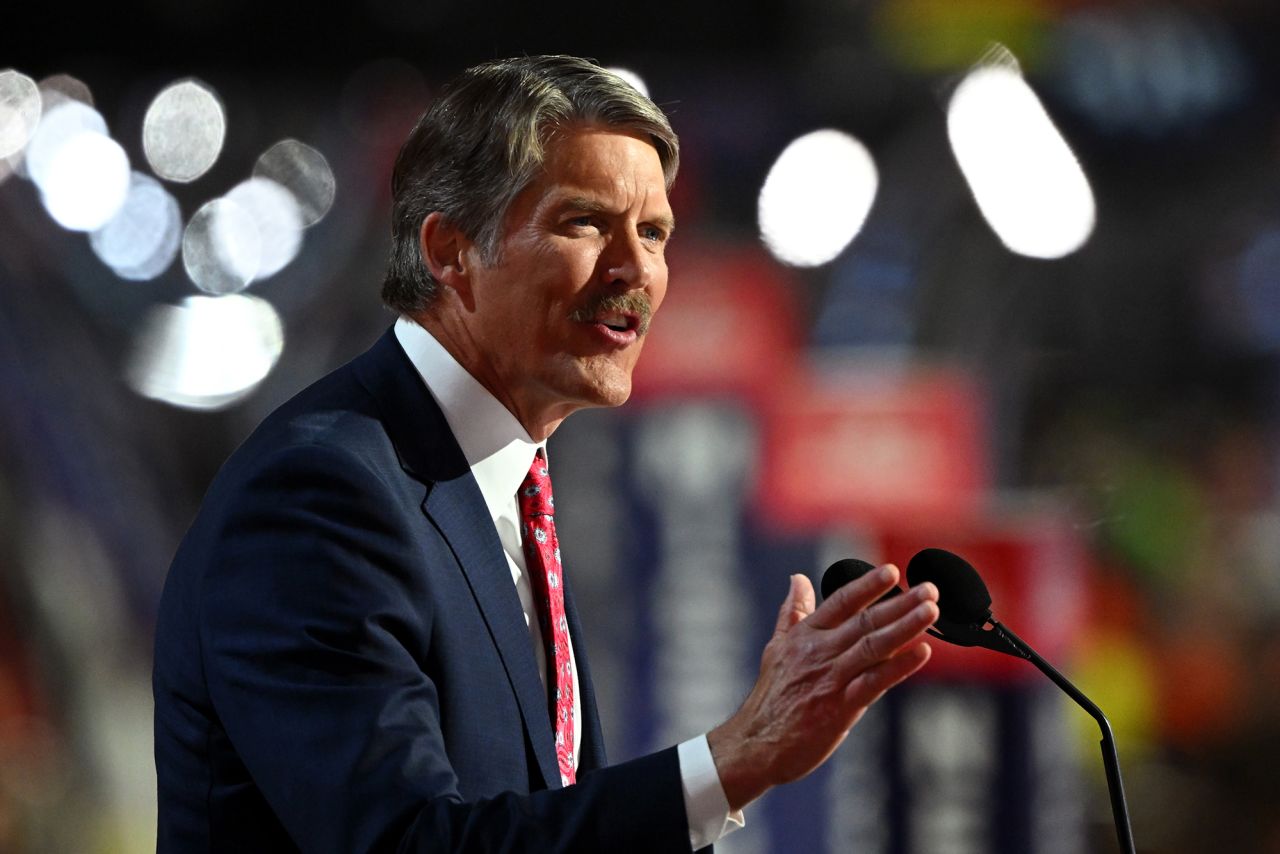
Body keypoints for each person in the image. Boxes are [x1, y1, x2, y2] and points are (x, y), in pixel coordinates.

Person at [152, 55, 940, 853]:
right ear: (450, 252)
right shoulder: (321, 495)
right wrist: (733, 761)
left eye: (655, 232)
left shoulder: (496, 480)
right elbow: (408, 844)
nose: (636, 270)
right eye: (586, 223)